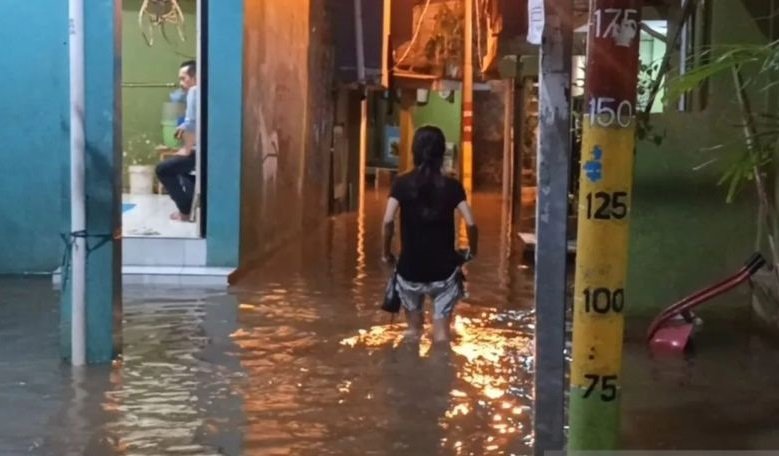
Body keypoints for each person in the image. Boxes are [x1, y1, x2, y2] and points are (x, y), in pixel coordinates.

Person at [381, 126, 479, 343]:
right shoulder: (452, 186)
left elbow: (388, 221)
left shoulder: (401, 184)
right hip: (443, 272)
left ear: (414, 151)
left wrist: (386, 254)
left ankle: (409, 362)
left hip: (410, 270)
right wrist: (472, 251)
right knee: (442, 336)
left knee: (413, 333)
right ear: (442, 153)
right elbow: (471, 223)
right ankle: (442, 364)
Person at [156, 60, 200, 222]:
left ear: (195, 77)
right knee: (185, 169)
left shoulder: (194, 91)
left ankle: (185, 211)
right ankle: (189, 208)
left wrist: (186, 149)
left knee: (163, 169)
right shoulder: (208, 92)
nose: (181, 83)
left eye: (183, 78)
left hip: (200, 151)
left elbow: (191, 123)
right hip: (206, 150)